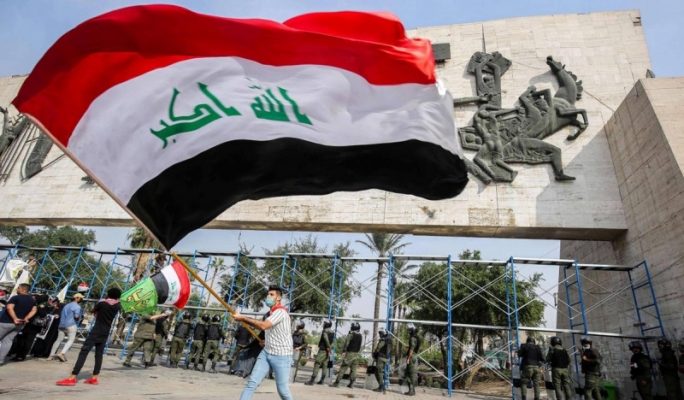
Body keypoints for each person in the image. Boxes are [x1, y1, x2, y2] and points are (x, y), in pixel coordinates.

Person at [233, 284, 293, 400]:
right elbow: (273, 331)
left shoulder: (280, 312)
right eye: (268, 294)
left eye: (272, 294)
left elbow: (263, 326)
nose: (268, 297)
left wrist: (243, 318)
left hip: (282, 356)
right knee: (252, 383)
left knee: (283, 391)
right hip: (266, 353)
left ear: (279, 298)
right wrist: (267, 342)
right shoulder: (270, 314)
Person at [55, 288, 122, 386]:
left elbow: (93, 310)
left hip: (96, 331)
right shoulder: (117, 305)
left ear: (108, 294)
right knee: (99, 355)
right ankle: (94, 377)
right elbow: (112, 303)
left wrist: (104, 300)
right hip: (105, 332)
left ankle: (73, 377)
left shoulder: (102, 303)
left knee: (84, 352)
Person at [0, 283, 36, 366]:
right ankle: (0, 360)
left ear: (23, 289)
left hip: (7, 322)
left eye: (19, 288)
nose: (17, 289)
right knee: (8, 341)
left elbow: (9, 308)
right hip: (20, 324)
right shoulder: (32, 300)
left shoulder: (16, 298)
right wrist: (26, 318)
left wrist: (14, 318)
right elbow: (34, 310)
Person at [48, 293, 84, 362]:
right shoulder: (77, 307)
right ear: (76, 298)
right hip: (71, 324)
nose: (81, 299)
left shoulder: (66, 305)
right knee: (71, 339)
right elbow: (76, 316)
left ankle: (51, 355)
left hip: (62, 324)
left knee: (58, 340)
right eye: (80, 298)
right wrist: (79, 318)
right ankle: (62, 353)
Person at [13, 294, 50, 361]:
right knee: (23, 340)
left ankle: (21, 355)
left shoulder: (44, 306)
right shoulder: (36, 305)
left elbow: (43, 314)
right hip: (30, 325)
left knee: (27, 341)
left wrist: (41, 309)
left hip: (33, 326)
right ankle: (18, 354)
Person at [332, 321, 363, 388]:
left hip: (350, 353)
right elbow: (360, 345)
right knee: (354, 369)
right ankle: (351, 384)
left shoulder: (351, 334)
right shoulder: (360, 335)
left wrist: (343, 351)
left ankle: (337, 382)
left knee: (343, 367)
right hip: (356, 354)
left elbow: (346, 343)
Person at [305, 320, 334, 385]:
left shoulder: (325, 331)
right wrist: (330, 348)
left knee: (317, 363)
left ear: (326, 324)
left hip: (323, 350)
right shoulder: (332, 332)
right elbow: (333, 342)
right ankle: (322, 380)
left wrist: (328, 347)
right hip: (327, 351)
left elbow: (326, 339)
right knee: (325, 365)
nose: (323, 325)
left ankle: (312, 381)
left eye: (324, 324)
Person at [372, 327, 391, 394]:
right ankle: (381, 386)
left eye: (380, 333)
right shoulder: (388, 340)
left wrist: (374, 354)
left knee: (378, 372)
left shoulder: (383, 340)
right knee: (378, 372)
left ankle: (381, 387)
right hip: (385, 358)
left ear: (382, 333)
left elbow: (378, 348)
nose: (379, 335)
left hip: (380, 358)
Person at [404, 323, 421, 396]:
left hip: (411, 356)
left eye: (410, 330)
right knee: (410, 373)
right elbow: (414, 346)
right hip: (414, 356)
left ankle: (411, 391)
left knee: (409, 374)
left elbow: (412, 349)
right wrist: (409, 347)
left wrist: (408, 358)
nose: (409, 331)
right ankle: (412, 390)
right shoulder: (416, 337)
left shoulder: (412, 338)